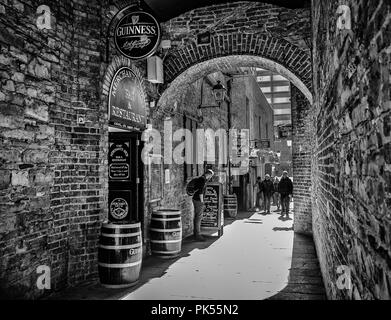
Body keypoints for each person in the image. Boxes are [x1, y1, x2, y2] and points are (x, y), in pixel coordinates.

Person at [192, 169, 214, 241]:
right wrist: (202, 201)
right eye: (211, 176)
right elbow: (200, 192)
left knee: (197, 216)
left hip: (195, 199)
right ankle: (197, 235)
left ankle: (196, 233)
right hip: (198, 200)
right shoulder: (202, 180)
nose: (210, 178)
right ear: (209, 174)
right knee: (198, 217)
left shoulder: (200, 178)